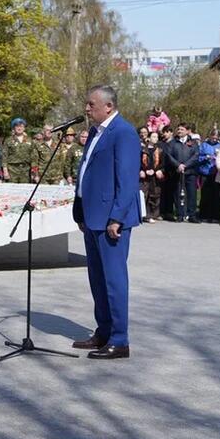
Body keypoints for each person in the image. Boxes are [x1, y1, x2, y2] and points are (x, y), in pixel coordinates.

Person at [71, 85, 141, 360]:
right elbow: (87, 171)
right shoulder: (96, 133)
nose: (86, 109)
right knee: (97, 279)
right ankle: (103, 331)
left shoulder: (123, 133)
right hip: (92, 217)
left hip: (111, 219)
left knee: (113, 280)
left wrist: (117, 217)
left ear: (108, 106)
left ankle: (120, 340)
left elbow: (127, 180)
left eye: (91, 104)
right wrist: (80, 210)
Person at [162, 123, 200, 222]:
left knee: (191, 194)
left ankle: (192, 215)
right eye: (178, 129)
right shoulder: (172, 143)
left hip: (190, 172)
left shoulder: (193, 142)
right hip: (177, 172)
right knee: (178, 194)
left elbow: (196, 156)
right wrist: (178, 165)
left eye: (182, 129)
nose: (179, 131)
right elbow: (169, 156)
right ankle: (180, 214)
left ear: (187, 131)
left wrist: (185, 165)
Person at [197, 128, 220, 222]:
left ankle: (215, 216)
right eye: (213, 137)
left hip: (216, 172)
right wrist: (206, 157)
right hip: (205, 172)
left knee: (216, 195)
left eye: (217, 137)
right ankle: (204, 215)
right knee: (205, 195)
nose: (215, 139)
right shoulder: (204, 145)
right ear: (210, 136)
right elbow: (198, 157)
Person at [140, 130, 164, 223]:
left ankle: (153, 214)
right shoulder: (142, 150)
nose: (156, 139)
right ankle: (143, 214)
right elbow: (138, 161)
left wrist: (159, 170)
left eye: (157, 137)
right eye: (154, 137)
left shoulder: (160, 150)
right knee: (144, 195)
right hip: (144, 176)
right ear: (149, 138)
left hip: (155, 176)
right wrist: (141, 170)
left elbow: (163, 163)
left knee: (154, 195)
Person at [3, 118, 36, 182]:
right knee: (12, 190)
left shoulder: (30, 140)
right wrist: (5, 171)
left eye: (21, 126)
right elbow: (4, 156)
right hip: (12, 170)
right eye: (17, 126)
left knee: (25, 190)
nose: (19, 128)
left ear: (24, 128)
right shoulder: (8, 140)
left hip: (26, 171)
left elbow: (34, 157)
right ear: (14, 128)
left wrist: (33, 171)